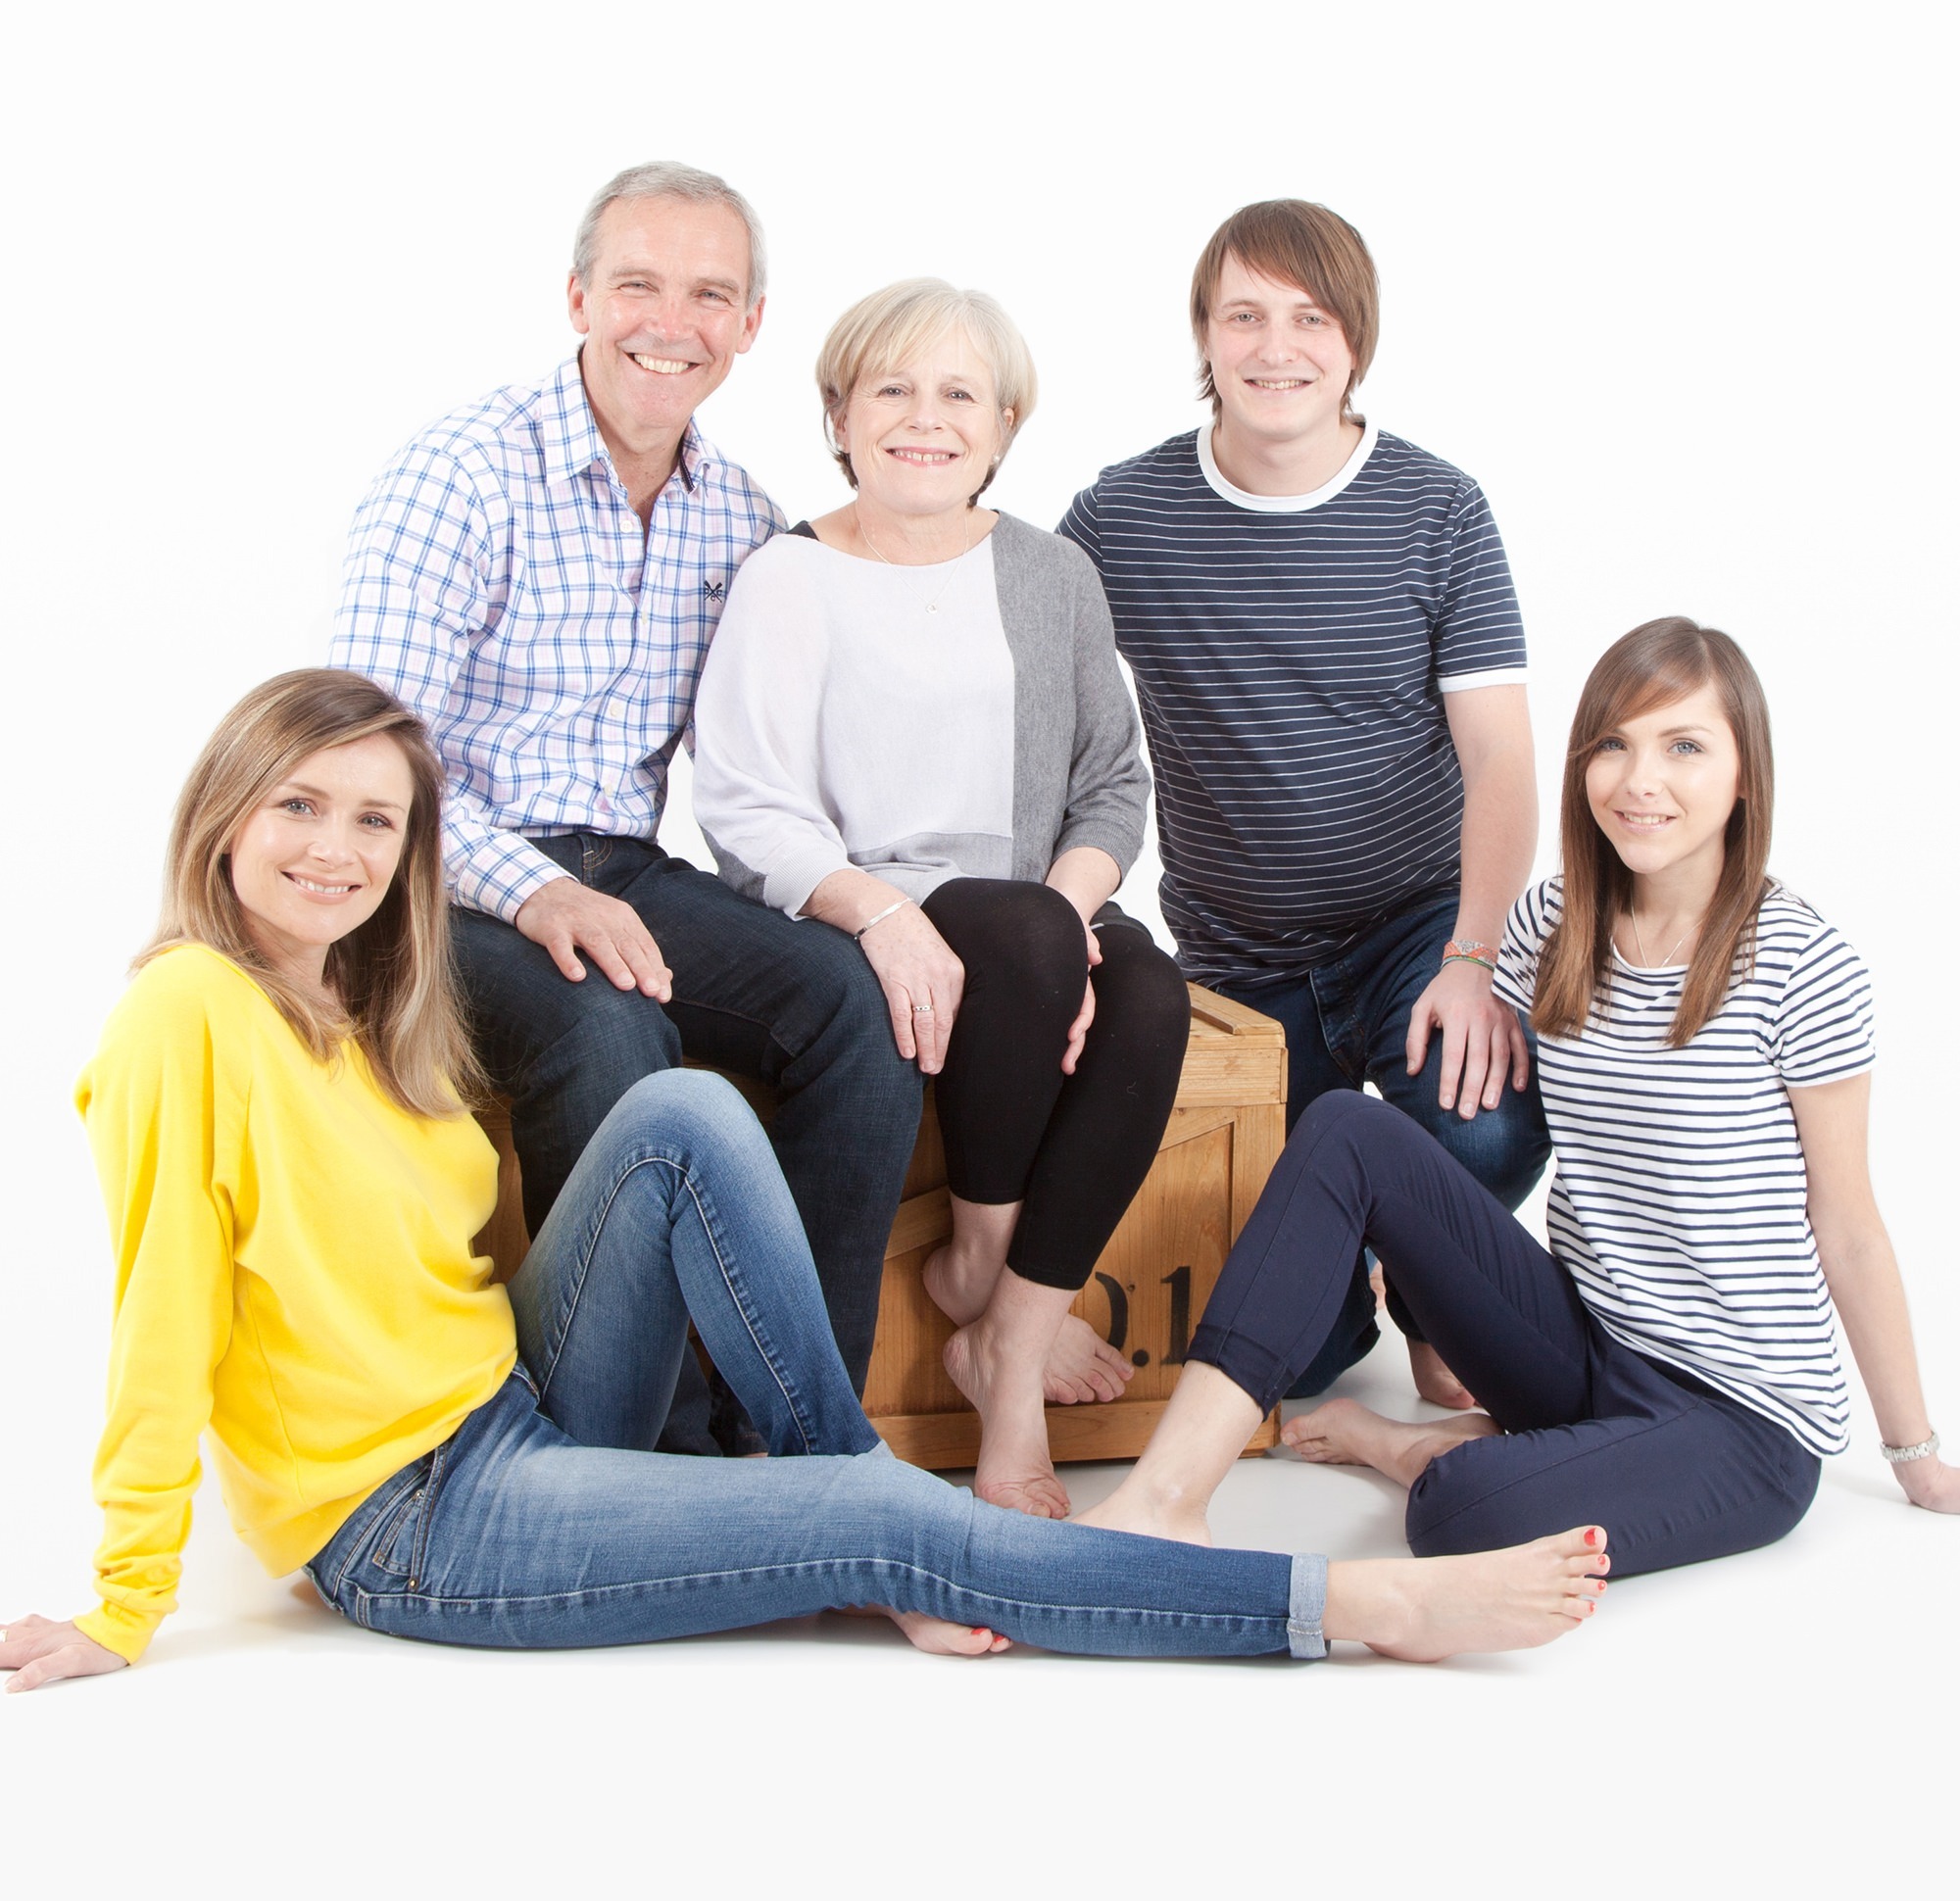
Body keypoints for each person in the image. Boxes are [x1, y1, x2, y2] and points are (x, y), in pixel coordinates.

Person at [0, 669, 1611, 1690]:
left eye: (375, 820)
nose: (337, 852)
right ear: (221, 818)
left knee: (688, 1115)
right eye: (299, 808)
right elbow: (159, 1309)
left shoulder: (362, 1000)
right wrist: (123, 1603)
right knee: (869, 1508)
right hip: (418, 1518)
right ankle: (1348, 1615)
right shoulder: (186, 1012)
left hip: (511, 1404)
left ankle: (865, 1520)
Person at [1075, 619, 1960, 1573]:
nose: (1639, 779)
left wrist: (1912, 1452)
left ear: (1744, 776)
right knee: (1346, 1127)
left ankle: (1410, 1445)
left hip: (1739, 1414)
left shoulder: (1798, 962)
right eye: (1612, 743)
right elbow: (1446, 1114)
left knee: (1455, 1516)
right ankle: (1163, 1494)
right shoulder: (1548, 926)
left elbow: (1847, 1222)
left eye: (1684, 746)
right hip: (1581, 1350)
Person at [329, 161, 920, 1455]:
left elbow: (773, 769)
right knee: (609, 1031)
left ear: (751, 324)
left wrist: (891, 906)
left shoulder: (742, 520)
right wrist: (534, 889)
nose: (673, 321)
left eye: (711, 294)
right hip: (439, 886)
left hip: (627, 871)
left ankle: (800, 1438)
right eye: (640, 284)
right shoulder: (462, 476)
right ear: (579, 297)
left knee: (854, 1006)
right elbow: (365, 765)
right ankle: (654, 1447)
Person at [690, 279, 1192, 1521]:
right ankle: (981, 1278)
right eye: (892, 390)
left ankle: (1001, 1335)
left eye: (959, 392)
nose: (926, 418)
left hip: (1034, 899)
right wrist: (880, 910)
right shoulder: (786, 577)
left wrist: (1077, 913)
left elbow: (1111, 781)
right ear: (839, 416)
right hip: (860, 912)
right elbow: (744, 802)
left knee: (1147, 993)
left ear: (1006, 422)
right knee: (1019, 936)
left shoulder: (1051, 571)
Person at [1059, 199, 1547, 1411]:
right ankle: (1382, 1290)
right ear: (1204, 335)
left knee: (1487, 1131)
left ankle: (1430, 1288)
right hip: (1233, 956)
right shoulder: (1121, 514)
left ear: (1354, 342)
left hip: (1413, 929)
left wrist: (1472, 962)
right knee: (1306, 1349)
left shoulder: (1437, 507)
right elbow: (1018, 671)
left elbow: (1499, 761)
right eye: (1244, 316)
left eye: (1308, 318)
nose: (1275, 347)